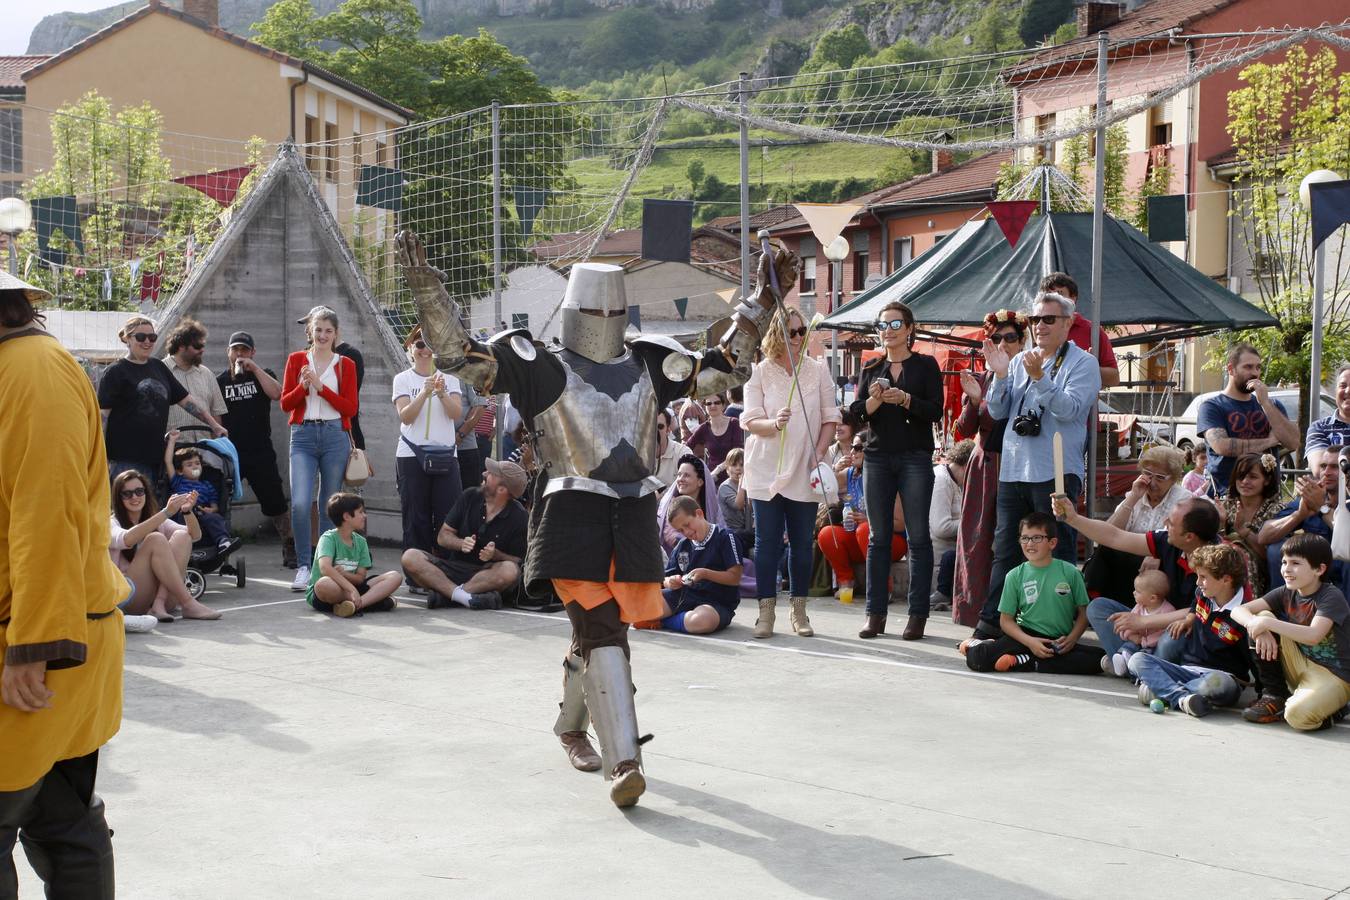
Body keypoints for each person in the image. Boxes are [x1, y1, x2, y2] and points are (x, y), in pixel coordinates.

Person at [399, 229, 784, 808]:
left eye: (613, 308)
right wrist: (427, 289)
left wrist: (765, 296)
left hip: (631, 513)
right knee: (601, 628)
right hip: (568, 512)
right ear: (578, 309)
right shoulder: (537, 366)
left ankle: (570, 727)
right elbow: (461, 358)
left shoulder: (652, 360)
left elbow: (725, 368)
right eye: (595, 308)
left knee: (605, 631)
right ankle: (625, 761)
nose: (604, 317)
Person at [0, 272, 124, 895]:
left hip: (35, 644)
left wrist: (34, 646)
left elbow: (45, 512)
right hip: (33, 631)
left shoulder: (33, 372)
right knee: (57, 816)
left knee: (60, 826)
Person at [976, 291, 1101, 639]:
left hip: (1056, 470)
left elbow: (1071, 410)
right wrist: (1000, 376)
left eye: (1048, 319)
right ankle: (992, 623)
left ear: (1067, 323)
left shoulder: (1082, 363)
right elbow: (999, 412)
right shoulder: (1020, 361)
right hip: (1014, 469)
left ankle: (1058, 627)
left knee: (1057, 551)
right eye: (1035, 319)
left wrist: (1041, 379)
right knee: (1005, 549)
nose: (1040, 326)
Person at [1053, 494, 1251, 664]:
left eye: (1171, 523)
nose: (1165, 522)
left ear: (1189, 536)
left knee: (1172, 638)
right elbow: (1115, 537)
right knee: (1098, 608)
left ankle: (1139, 666)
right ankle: (1138, 663)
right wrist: (1073, 518)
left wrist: (1143, 623)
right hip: (1154, 621)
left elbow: (1199, 611)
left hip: (1188, 629)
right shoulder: (1168, 540)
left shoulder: (1223, 559)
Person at [743, 304, 841, 640]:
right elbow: (750, 420)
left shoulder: (818, 369)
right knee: (767, 544)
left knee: (801, 543)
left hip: (804, 467)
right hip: (766, 469)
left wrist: (819, 450)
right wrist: (773, 423)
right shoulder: (759, 371)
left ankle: (799, 611)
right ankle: (765, 614)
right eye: (792, 331)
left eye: (802, 331)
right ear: (778, 333)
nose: (798, 338)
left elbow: (831, 417)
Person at [850, 301, 943, 641]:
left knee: (918, 537)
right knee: (878, 538)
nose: (887, 330)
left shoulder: (926, 365)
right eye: (882, 324)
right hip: (877, 457)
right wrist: (875, 399)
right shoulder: (872, 367)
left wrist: (904, 399)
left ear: (908, 329)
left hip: (915, 457)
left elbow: (935, 411)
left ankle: (917, 615)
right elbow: (857, 414)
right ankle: (875, 615)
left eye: (894, 324)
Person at [958, 512, 1102, 674]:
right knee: (979, 659)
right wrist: (1030, 642)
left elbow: (1084, 614)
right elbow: (1006, 621)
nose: (1030, 544)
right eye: (1024, 538)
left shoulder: (1070, 572)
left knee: (1099, 660)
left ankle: (1022, 661)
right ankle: (977, 644)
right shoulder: (1014, 575)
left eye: (1037, 538)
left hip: (1057, 640)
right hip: (1024, 636)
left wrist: (1072, 639)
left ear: (1052, 543)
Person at [952, 310, 1025, 627]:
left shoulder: (1028, 376)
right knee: (977, 539)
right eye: (997, 338)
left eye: (1010, 337)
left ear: (1022, 341)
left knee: (1016, 541)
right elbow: (963, 431)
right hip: (985, 467)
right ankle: (974, 612)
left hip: (1019, 467)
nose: (1003, 343)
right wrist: (972, 400)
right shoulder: (981, 378)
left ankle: (1017, 615)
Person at [1234, 534, 1350, 731]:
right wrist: (1257, 624)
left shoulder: (1331, 596)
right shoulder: (1287, 592)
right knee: (1260, 618)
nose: (1286, 569)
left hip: (1333, 675)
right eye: (1284, 562)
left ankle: (1334, 710)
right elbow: (1238, 610)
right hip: (1299, 663)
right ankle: (1275, 695)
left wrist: (1265, 624)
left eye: (1295, 563)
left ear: (1319, 569)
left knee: (1297, 716)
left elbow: (1313, 636)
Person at [281, 306, 359, 593]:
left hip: (334, 434)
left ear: (336, 334)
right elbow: (285, 404)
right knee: (301, 502)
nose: (323, 335)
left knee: (329, 503)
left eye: (328, 330)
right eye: (318, 330)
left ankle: (322, 566)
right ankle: (303, 564)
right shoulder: (297, 360)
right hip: (302, 435)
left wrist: (321, 388)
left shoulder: (345, 364)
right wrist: (304, 387)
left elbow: (350, 408)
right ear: (309, 332)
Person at [99, 314, 225, 487]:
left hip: (157, 459)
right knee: (131, 510)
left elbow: (187, 401)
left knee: (153, 511)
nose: (147, 342)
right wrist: (101, 458)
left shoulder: (158, 367)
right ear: (127, 339)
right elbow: (102, 417)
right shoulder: (115, 372)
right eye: (141, 337)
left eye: (152, 337)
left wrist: (214, 425)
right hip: (125, 460)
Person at [1129, 543, 1251, 718]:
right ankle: (1182, 698)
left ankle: (1163, 690)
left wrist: (1265, 693)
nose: (1198, 582)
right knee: (1137, 659)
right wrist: (1189, 618)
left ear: (1226, 579)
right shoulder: (1203, 593)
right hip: (1187, 670)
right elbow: (1195, 606)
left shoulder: (1244, 612)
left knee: (1217, 684)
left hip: (1221, 676)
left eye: (1203, 577)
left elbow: (1253, 657)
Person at [401, 458, 529, 610]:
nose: (484, 473)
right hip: (453, 569)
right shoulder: (470, 496)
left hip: (488, 575)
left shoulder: (519, 517)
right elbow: (443, 537)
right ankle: (465, 597)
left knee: (510, 571)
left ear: (502, 489)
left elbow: (520, 561)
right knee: (410, 557)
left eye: (491, 474)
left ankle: (448, 595)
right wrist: (460, 543)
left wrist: (496, 555)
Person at [218, 331, 294, 568]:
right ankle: (222, 551)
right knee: (221, 501)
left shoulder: (264, 375)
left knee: (275, 501)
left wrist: (255, 369)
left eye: (244, 350)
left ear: (252, 352)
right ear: (228, 352)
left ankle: (289, 545)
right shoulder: (220, 381)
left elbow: (279, 394)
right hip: (232, 453)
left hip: (260, 449)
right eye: (236, 350)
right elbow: (217, 417)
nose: (239, 354)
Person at [392, 325, 464, 572]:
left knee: (447, 516)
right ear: (411, 349)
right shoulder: (402, 379)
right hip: (412, 455)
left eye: (430, 344)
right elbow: (405, 416)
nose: (425, 350)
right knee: (416, 518)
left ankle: (446, 572)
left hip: (445, 455)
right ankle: (417, 575)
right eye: (419, 344)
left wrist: (442, 393)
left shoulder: (450, 378)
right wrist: (424, 392)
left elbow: (455, 414)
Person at [1083, 445, 1193, 603]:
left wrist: (1156, 554)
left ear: (1174, 479)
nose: (1152, 482)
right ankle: (1090, 601)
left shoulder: (1184, 500)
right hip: (1133, 556)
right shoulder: (1137, 494)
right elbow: (1107, 534)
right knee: (1105, 548)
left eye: (1160, 477)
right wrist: (1133, 498)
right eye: (1148, 474)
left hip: (1166, 560)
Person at [108, 470, 221, 622]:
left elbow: (194, 536)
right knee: (155, 539)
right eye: (127, 494)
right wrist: (166, 512)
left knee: (182, 536)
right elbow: (126, 539)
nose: (134, 497)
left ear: (146, 493)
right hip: (130, 599)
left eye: (139, 491)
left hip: (164, 601)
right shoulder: (111, 522)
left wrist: (187, 511)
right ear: (118, 498)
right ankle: (188, 602)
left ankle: (159, 604)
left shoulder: (155, 519)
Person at [1196, 343, 1299, 496]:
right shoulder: (1212, 406)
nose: (1255, 373)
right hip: (1228, 494)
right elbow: (1222, 446)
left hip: (1269, 496)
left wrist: (1265, 403)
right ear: (1231, 369)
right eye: (1248, 367)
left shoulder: (1273, 405)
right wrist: (1269, 442)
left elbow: (1293, 442)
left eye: (1258, 367)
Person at [816, 437, 907, 604]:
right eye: (852, 447)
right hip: (861, 539)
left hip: (891, 542)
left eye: (858, 448)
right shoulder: (851, 474)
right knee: (827, 534)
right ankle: (846, 581)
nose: (852, 452)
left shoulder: (890, 478)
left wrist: (871, 520)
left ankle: (883, 587)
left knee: (866, 529)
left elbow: (900, 523)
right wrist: (835, 468)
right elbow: (823, 483)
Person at [638, 495, 743, 634]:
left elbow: (735, 577)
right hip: (683, 595)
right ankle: (670, 618)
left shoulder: (725, 537)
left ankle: (663, 620)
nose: (686, 532)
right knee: (639, 607)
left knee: (701, 621)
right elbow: (665, 578)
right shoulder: (682, 545)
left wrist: (705, 574)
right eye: (681, 530)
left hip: (716, 602)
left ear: (699, 514)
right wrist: (670, 582)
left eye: (687, 525)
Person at [1256, 453, 1342, 594]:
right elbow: (1263, 536)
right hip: (1316, 566)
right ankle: (1282, 607)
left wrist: (1322, 509)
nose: (1326, 472)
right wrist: (1299, 515)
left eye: (1335, 467)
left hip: (1342, 566)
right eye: (1323, 466)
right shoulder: (1312, 497)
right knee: (1277, 549)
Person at [307, 493, 401, 617]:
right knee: (323, 584)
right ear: (346, 516)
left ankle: (356, 605)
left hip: (354, 588)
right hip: (327, 594)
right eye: (361, 512)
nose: (364, 516)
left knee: (395, 576)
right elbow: (325, 568)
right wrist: (351, 590)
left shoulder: (361, 542)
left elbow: (360, 578)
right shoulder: (328, 538)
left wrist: (345, 575)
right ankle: (375, 602)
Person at [298, 305, 368, 453]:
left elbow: (348, 402)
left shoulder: (350, 356)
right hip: (308, 437)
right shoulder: (305, 356)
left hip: (344, 434)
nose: (306, 330)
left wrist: (320, 387)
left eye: (310, 324)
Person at [1217, 453, 1285, 594]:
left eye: (1253, 477)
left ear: (1266, 480)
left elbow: (1271, 555)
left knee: (1242, 556)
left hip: (1261, 571)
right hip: (1225, 566)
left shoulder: (1276, 510)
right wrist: (1221, 524)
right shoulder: (1227, 505)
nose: (1245, 482)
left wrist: (1244, 531)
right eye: (1241, 476)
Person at [1038, 272, 1120, 388]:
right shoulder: (1036, 328)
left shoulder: (1092, 331)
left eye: (1059, 294)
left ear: (1073, 298)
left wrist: (1087, 364)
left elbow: (1114, 379)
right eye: (1049, 295)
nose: (1054, 300)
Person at [166, 443, 239, 553]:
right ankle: (182, 544)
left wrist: (211, 510)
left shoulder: (207, 485)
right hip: (183, 515)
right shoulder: (178, 482)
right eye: (189, 465)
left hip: (201, 514)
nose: (195, 466)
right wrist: (172, 440)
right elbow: (168, 462)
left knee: (214, 517)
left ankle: (223, 541)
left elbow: (214, 506)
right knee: (181, 514)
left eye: (197, 463)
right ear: (180, 471)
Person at [1104, 570, 1177, 678]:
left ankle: (1132, 668)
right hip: (1137, 641)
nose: (1133, 593)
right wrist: (1131, 636)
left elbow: (1163, 634)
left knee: (1146, 655)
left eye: (1138, 591)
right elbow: (1127, 622)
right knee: (1129, 645)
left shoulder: (1168, 611)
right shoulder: (1139, 607)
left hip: (1153, 647)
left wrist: (1145, 641)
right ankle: (1123, 659)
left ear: (1152, 598)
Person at [163, 317, 229, 435]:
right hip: (173, 449)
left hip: (204, 448)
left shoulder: (207, 374)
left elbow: (216, 414)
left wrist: (216, 444)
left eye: (203, 345)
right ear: (181, 346)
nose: (202, 350)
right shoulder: (161, 371)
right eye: (197, 346)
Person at [929, 439, 973, 613]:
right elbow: (941, 527)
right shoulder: (941, 480)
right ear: (965, 466)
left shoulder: (957, 482)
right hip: (942, 559)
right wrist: (974, 524)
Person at [657, 455, 722, 558]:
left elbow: (721, 529)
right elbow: (671, 535)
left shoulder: (711, 505)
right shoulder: (673, 505)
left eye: (686, 475)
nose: (680, 479)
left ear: (700, 482)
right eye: (679, 475)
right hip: (682, 557)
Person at [688, 392, 743, 483]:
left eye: (717, 402)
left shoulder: (734, 423)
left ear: (723, 405)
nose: (713, 406)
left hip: (733, 477)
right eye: (709, 403)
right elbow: (687, 446)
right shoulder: (704, 428)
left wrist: (718, 469)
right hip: (712, 478)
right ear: (704, 407)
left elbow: (736, 452)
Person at [1305, 364, 1350, 468]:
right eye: (1343, 386)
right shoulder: (1319, 428)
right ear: (1336, 391)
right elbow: (1321, 470)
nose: (1347, 391)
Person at [455, 381, 489, 499]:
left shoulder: (466, 371)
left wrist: (460, 435)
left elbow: (480, 406)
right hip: (437, 450)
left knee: (470, 502)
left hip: (465, 450)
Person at [717, 447, 754, 555]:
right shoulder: (725, 487)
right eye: (734, 465)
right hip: (733, 532)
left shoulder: (749, 484)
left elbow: (752, 508)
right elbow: (739, 505)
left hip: (747, 530)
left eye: (742, 465)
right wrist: (743, 482)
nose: (738, 468)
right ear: (727, 468)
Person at [653, 407, 691, 489]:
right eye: (650, 426)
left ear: (668, 430)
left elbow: (689, 488)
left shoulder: (683, 453)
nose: (654, 430)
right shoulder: (636, 455)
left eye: (660, 426)